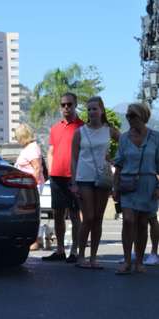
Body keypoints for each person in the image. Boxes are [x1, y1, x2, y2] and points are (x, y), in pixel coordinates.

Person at [70, 96, 120, 269]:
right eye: (89, 109)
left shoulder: (110, 130)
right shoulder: (80, 132)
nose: (91, 112)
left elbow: (125, 145)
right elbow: (74, 159)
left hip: (103, 177)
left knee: (98, 218)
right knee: (88, 217)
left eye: (95, 109)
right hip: (84, 178)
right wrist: (74, 182)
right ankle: (81, 256)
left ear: (102, 110)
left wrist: (114, 159)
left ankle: (93, 258)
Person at [113, 103, 159, 275]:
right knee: (128, 220)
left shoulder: (155, 137)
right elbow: (118, 164)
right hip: (127, 183)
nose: (129, 119)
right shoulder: (124, 138)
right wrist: (115, 186)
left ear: (142, 117)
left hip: (148, 185)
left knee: (142, 223)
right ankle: (126, 261)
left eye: (132, 116)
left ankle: (139, 261)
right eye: (128, 116)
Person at [43, 93, 84, 263]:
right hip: (56, 177)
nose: (66, 107)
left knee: (75, 215)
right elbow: (51, 152)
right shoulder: (55, 128)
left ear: (75, 105)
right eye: (63, 105)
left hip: (74, 177)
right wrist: (51, 171)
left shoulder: (82, 127)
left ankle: (74, 250)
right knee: (57, 214)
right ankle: (60, 250)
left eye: (69, 104)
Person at [14, 123, 45, 251]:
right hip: (27, 186)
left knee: (33, 213)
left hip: (32, 187)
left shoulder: (32, 148)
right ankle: (36, 239)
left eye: (17, 137)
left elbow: (37, 169)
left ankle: (36, 240)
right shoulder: (29, 148)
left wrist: (33, 186)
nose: (17, 140)